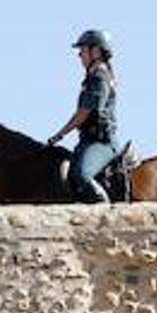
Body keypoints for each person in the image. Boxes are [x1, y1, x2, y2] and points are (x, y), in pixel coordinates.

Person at [46, 29, 116, 204]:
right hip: (88, 140)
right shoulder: (93, 76)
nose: (79, 55)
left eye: (83, 50)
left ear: (96, 52)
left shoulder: (100, 77)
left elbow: (84, 113)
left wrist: (59, 134)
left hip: (101, 143)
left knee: (81, 175)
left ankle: (103, 206)